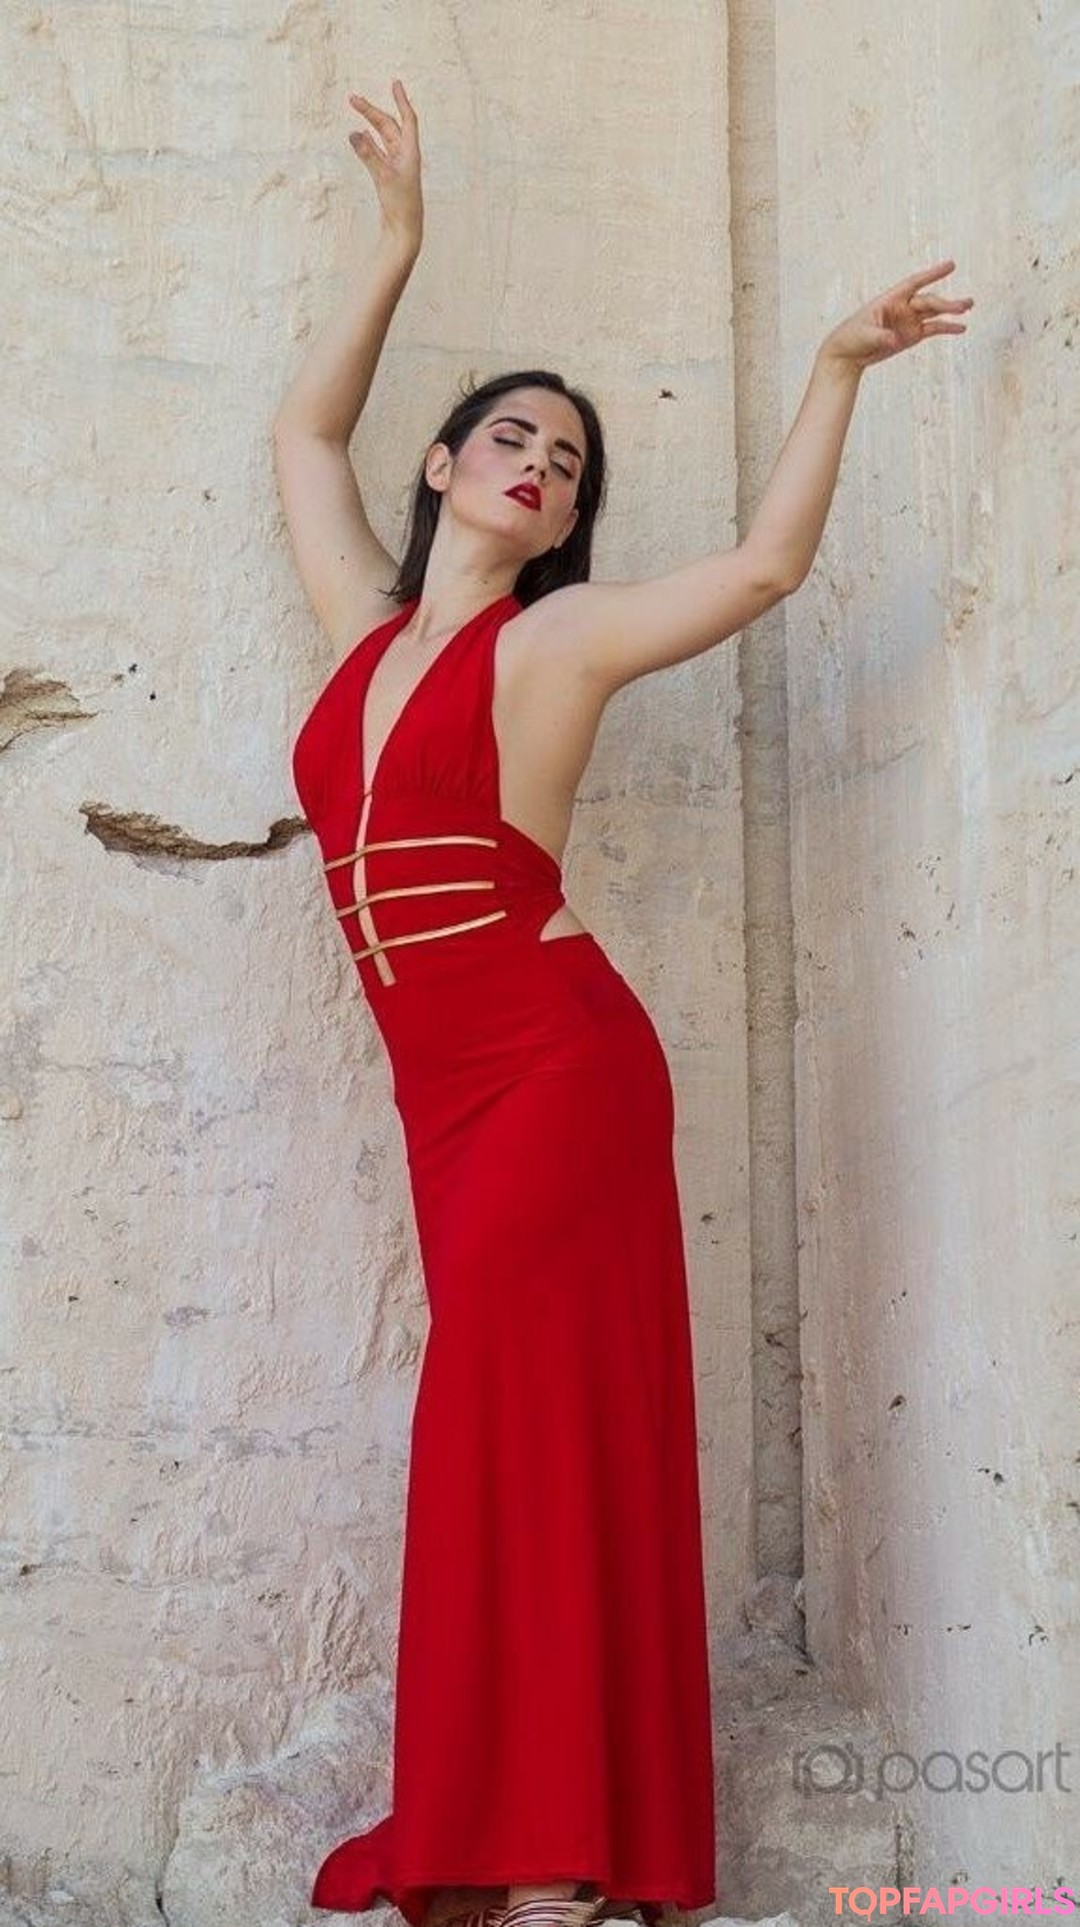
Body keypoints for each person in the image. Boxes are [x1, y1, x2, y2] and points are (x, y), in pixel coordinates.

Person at [274, 76, 972, 1927]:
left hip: (557, 1071)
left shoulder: (557, 639)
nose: (539, 466)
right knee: (510, 1438)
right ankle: (538, 1834)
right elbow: (306, 428)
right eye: (510, 437)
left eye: (569, 464)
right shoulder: (358, 629)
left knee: (518, 1433)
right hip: (447, 1102)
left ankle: (553, 1863)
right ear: (445, 467)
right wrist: (400, 239)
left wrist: (832, 365)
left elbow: (763, 566)